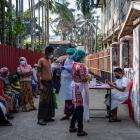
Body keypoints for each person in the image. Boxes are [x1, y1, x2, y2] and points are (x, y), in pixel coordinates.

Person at [69, 50, 88, 137]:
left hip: (74, 86)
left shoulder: (73, 64)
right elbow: (84, 79)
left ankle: (72, 126)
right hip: (79, 88)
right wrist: (89, 77)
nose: (85, 58)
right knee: (80, 108)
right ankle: (80, 130)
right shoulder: (80, 66)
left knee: (77, 107)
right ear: (81, 57)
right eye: (84, 56)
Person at [37, 46, 55, 125]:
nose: (52, 54)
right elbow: (38, 73)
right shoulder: (41, 60)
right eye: (51, 53)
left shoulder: (49, 60)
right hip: (43, 82)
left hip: (50, 82)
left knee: (49, 101)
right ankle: (40, 119)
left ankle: (47, 117)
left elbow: (49, 72)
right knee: (43, 101)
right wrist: (40, 84)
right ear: (47, 52)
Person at [59, 48, 76, 120]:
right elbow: (62, 68)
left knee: (73, 99)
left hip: (73, 82)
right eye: (68, 54)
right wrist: (62, 68)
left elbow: (74, 69)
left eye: (71, 54)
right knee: (67, 99)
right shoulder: (65, 60)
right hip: (66, 82)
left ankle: (73, 115)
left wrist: (67, 68)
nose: (69, 55)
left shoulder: (75, 60)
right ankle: (67, 114)